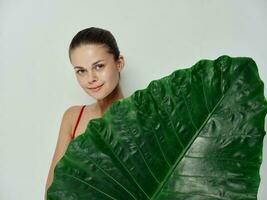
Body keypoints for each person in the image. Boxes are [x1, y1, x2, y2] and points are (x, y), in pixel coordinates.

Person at [44, 27, 125, 199]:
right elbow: (53, 189)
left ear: (119, 63)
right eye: (81, 71)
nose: (91, 78)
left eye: (99, 66)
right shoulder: (73, 117)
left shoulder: (142, 118)